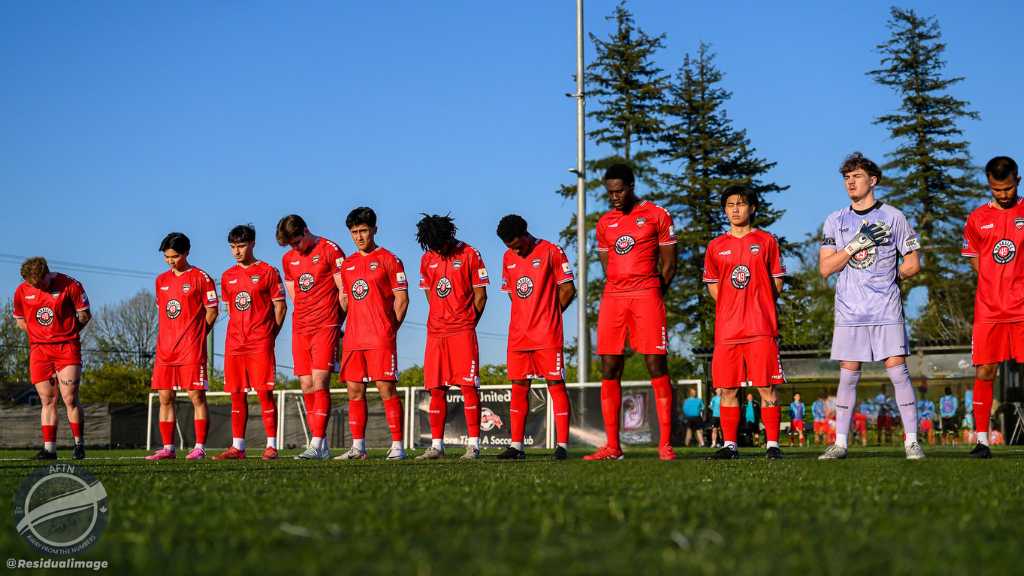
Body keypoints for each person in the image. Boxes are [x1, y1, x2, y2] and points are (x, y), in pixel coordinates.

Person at [818, 153, 925, 460]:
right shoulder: (835, 220)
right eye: (846, 177)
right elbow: (825, 268)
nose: (850, 182)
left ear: (873, 180)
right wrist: (856, 244)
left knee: (898, 371)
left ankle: (912, 442)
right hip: (849, 310)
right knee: (848, 374)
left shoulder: (894, 217)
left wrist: (893, 275)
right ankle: (840, 444)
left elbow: (913, 263)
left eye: (857, 176)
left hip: (885, 308)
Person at [585, 164, 678, 461]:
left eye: (620, 191)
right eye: (610, 192)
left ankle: (665, 445)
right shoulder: (604, 223)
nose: (615, 197)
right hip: (614, 296)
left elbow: (669, 265)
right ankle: (613, 446)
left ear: (632, 186)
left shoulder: (657, 214)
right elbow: (606, 264)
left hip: (647, 294)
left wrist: (653, 293)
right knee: (609, 366)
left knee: (655, 363)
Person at [703, 185, 786, 459]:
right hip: (728, 330)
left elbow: (777, 282)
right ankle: (730, 445)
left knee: (767, 386)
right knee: (727, 388)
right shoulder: (715, 246)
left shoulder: (767, 241)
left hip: (760, 327)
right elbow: (713, 286)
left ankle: (772, 445)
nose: (735, 209)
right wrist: (732, 306)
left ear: (752, 208)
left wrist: (758, 304)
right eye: (730, 205)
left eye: (740, 204)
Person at [494, 214, 575, 461]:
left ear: (525, 234)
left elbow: (568, 288)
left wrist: (549, 316)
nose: (515, 251)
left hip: (547, 334)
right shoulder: (507, 257)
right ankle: (516, 446)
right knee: (519, 386)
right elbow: (513, 294)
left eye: (518, 245)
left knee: (555, 384)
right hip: (518, 335)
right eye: (510, 247)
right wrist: (526, 315)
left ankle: (562, 446)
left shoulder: (551, 251)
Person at [332, 208, 409, 461]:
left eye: (363, 230)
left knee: (386, 389)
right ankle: (358, 448)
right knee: (354, 391)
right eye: (354, 232)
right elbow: (345, 299)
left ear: (375, 229)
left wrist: (389, 330)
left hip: (380, 337)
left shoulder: (390, 259)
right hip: (354, 339)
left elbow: (402, 300)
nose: (359, 237)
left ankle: (397, 447)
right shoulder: (348, 264)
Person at [961, 156, 1024, 459]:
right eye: (996, 189)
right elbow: (974, 258)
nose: (1003, 194)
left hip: (1022, 307)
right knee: (985, 371)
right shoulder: (977, 218)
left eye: (1008, 188)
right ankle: (982, 441)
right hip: (989, 309)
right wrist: (993, 282)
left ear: (1018, 181)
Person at [415, 214, 489, 460]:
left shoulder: (470, 254)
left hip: (462, 331)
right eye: (434, 246)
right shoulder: (427, 258)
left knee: (468, 387)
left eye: (441, 244)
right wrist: (441, 316)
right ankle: (437, 446)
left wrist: (466, 323)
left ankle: (474, 445)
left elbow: (481, 296)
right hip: (436, 333)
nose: (438, 250)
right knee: (436, 389)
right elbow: (429, 293)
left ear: (450, 235)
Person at [277, 215, 345, 460]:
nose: (295, 248)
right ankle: (320, 444)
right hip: (301, 328)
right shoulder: (288, 259)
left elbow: (344, 291)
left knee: (320, 382)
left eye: (297, 242)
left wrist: (337, 322)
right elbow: (295, 295)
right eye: (290, 245)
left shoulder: (330, 249)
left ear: (306, 231)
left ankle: (316, 443)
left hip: (326, 325)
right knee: (306, 384)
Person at [215, 225, 287, 461]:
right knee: (236, 394)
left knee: (264, 392)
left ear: (253, 244)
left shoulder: (268, 271)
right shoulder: (227, 276)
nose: (237, 251)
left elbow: (280, 307)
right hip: (235, 343)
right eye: (233, 247)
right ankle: (238, 447)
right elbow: (230, 310)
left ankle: (271, 446)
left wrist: (269, 336)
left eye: (241, 246)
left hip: (260, 342)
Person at [147, 233, 219, 460]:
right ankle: (168, 448)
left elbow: (212, 311)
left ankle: (199, 447)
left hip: (191, 350)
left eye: (175, 256)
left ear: (187, 252)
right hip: (165, 350)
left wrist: (198, 336)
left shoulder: (201, 278)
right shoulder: (161, 281)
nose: (170, 261)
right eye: (167, 257)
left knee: (196, 396)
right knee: (165, 398)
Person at [13, 257, 91, 460]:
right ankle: (49, 449)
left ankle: (79, 445)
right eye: (33, 285)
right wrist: (37, 335)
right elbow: (20, 320)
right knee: (47, 400)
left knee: (70, 398)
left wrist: (69, 333)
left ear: (48, 274)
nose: (38, 287)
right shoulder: (21, 291)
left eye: (41, 283)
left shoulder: (70, 285)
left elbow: (85, 315)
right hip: (39, 351)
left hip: (66, 348)